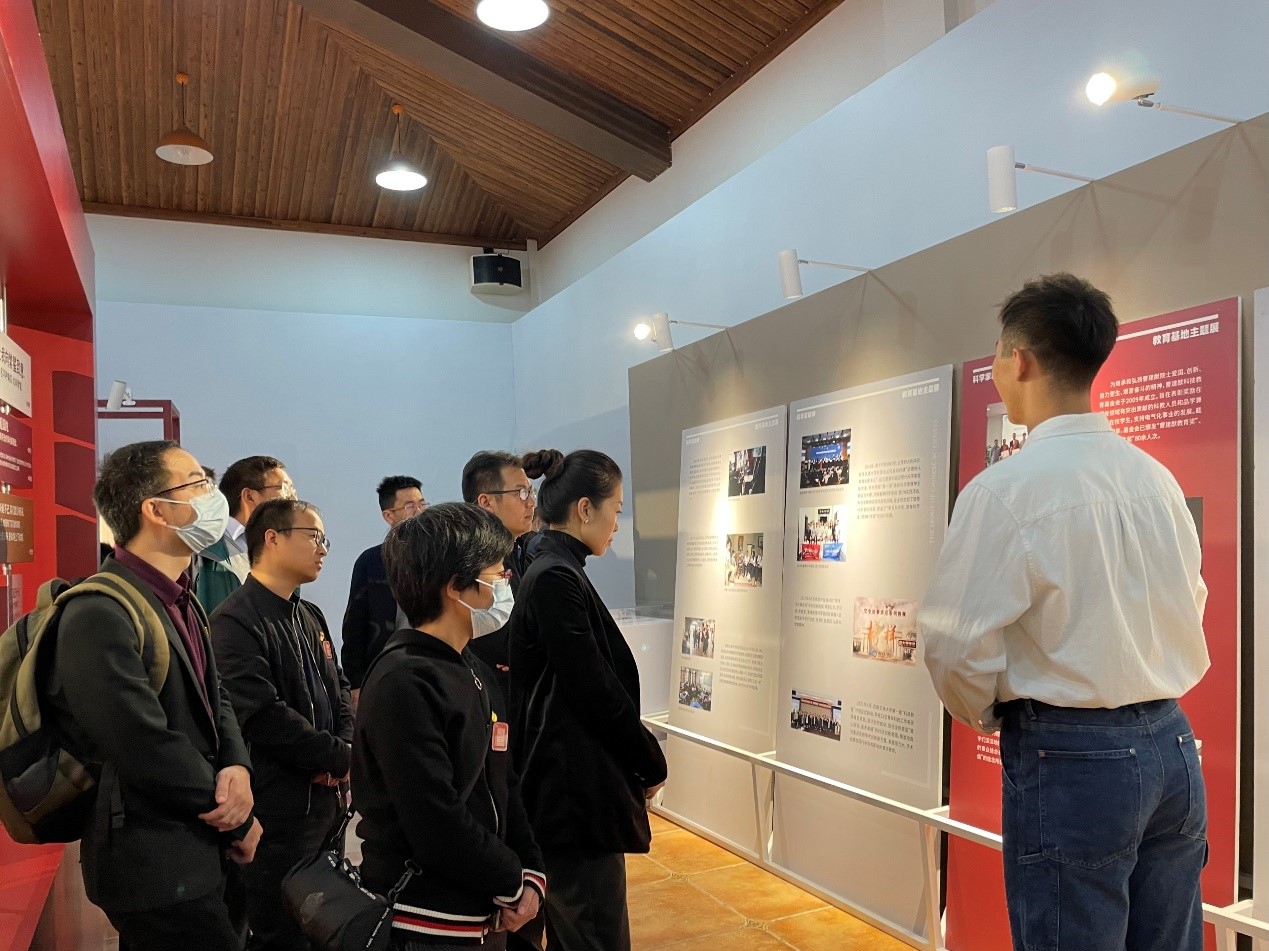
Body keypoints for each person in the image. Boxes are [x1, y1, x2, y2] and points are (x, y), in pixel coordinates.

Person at [918, 273, 1210, 951]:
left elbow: (954, 643)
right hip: (1172, 742)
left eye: (998, 354)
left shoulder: (1003, 490)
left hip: (1072, 753)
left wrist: (988, 711)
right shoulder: (1154, 477)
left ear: (1019, 359)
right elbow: (1189, 598)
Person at [47, 440, 262, 950]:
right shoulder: (98, 610)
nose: (212, 496)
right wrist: (235, 818)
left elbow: (215, 696)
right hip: (153, 859)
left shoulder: (179, 596)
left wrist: (238, 766)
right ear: (156, 510)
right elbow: (140, 742)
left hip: (199, 845)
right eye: (198, 484)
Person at [352, 503, 545, 950]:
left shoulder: (469, 665)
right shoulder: (404, 680)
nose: (506, 584)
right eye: (498, 574)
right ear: (456, 586)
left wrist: (529, 871)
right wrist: (510, 880)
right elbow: (434, 819)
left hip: (480, 904)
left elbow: (503, 781)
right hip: (424, 916)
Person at [508, 449, 667, 951]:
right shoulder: (555, 576)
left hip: (567, 790)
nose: (617, 522)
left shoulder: (552, 568)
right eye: (615, 509)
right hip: (572, 795)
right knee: (595, 933)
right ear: (584, 508)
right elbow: (593, 688)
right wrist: (649, 758)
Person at [210, 499, 354, 951]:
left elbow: (339, 689)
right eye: (314, 536)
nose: (323, 548)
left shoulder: (310, 615)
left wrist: (345, 750)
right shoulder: (235, 619)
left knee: (324, 930)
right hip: (278, 812)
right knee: (280, 934)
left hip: (327, 805)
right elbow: (262, 715)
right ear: (271, 538)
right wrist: (339, 757)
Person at [342, 476, 427, 703]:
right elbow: (354, 626)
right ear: (389, 516)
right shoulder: (371, 562)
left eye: (422, 504)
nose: (419, 512)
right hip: (385, 669)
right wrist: (355, 683)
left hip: (431, 667)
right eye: (410, 506)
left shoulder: (440, 557)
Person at [462, 451, 540, 687]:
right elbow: (502, 646)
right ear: (486, 503)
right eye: (521, 493)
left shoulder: (518, 550)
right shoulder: (476, 560)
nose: (531, 502)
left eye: (531, 492)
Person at [197, 456, 296, 614]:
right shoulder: (202, 548)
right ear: (249, 496)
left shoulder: (284, 558)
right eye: (284, 488)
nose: (293, 498)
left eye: (293, 490)